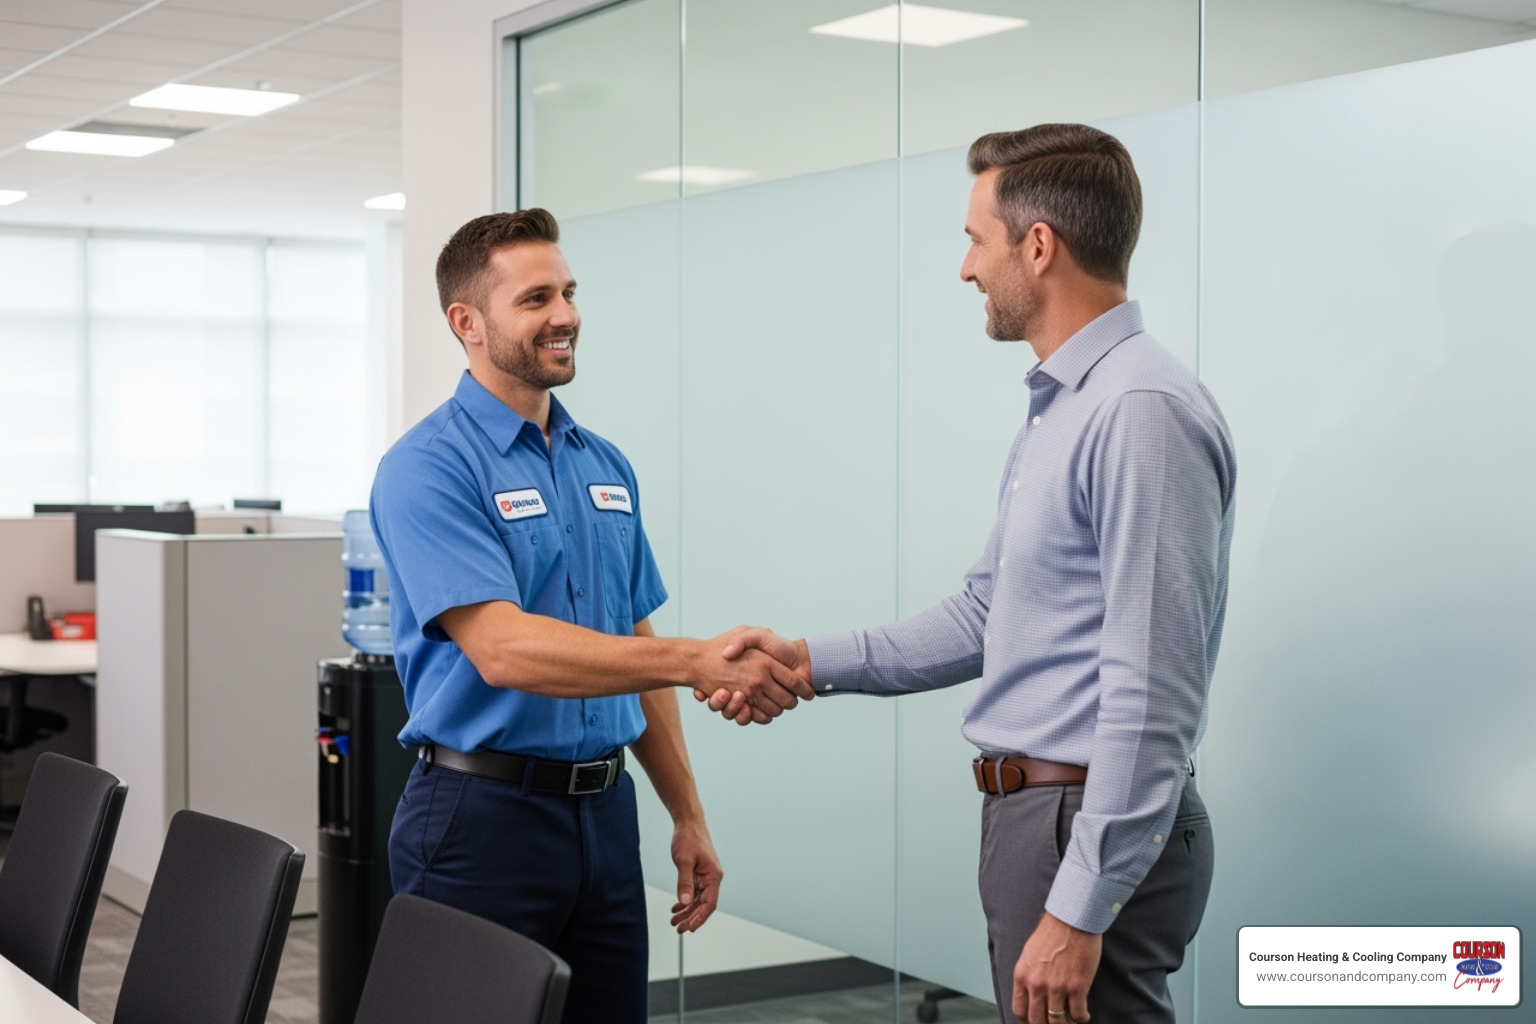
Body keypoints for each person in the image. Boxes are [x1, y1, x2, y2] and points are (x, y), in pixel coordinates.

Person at [706, 124, 1237, 1024]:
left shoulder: (1138, 411)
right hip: (1040, 820)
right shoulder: (1065, 406)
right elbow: (988, 615)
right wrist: (804, 659)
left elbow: (1155, 690)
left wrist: (1080, 904)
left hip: (1080, 821)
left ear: (1039, 246)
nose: (965, 270)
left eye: (973, 241)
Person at [369, 209, 812, 1024]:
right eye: (536, 297)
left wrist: (686, 814)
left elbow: (631, 644)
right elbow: (502, 649)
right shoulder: (426, 470)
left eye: (569, 292)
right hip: (480, 820)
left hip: (605, 820)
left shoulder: (603, 465)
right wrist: (696, 658)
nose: (566, 314)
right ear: (466, 323)